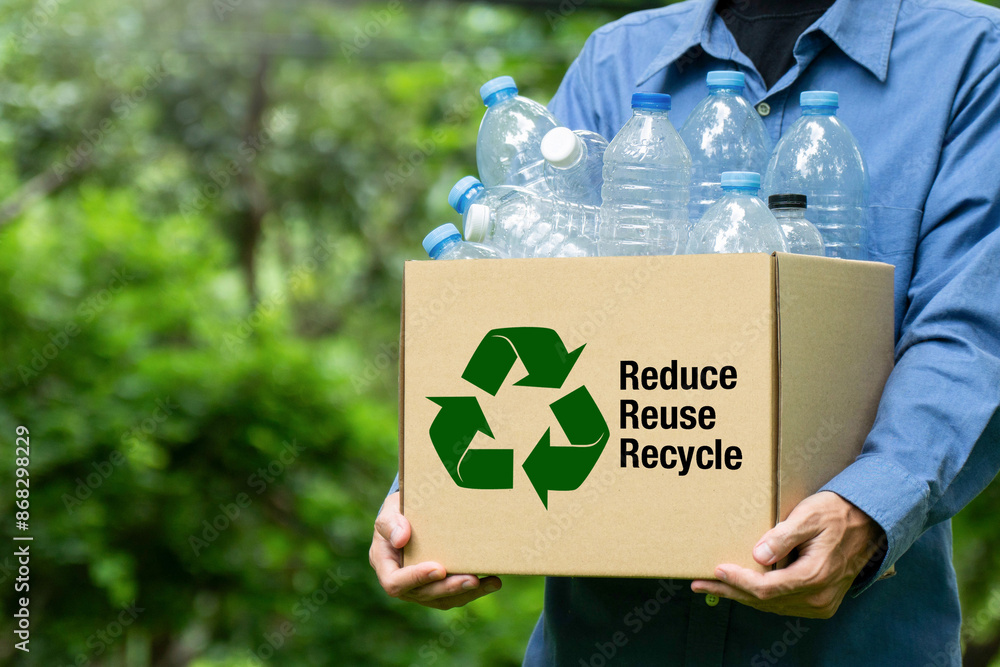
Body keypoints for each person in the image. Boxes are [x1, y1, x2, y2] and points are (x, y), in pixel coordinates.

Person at [370, 0, 1000, 663]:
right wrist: (428, 494)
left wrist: (866, 509)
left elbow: (971, 332)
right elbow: (522, 294)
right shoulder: (618, 61)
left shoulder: (969, 58)